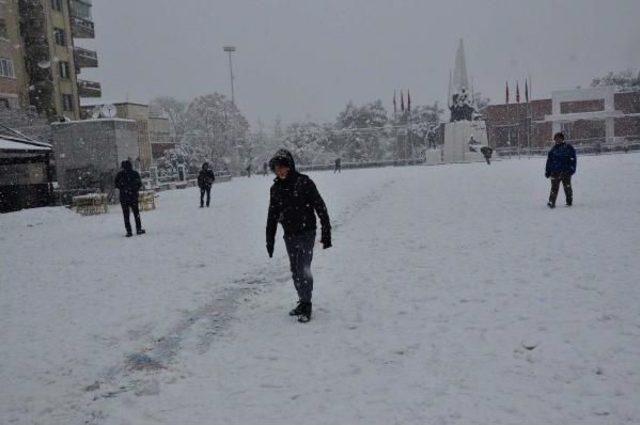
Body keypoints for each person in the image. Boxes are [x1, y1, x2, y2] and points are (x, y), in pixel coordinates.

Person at [266, 149, 332, 323]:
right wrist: (269, 240)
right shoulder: (275, 189)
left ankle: (307, 304)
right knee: (295, 270)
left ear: (290, 166)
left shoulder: (304, 182)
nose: (280, 171)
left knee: (304, 269)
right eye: (276, 168)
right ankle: (302, 301)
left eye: (283, 167)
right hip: (289, 235)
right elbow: (272, 216)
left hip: (306, 233)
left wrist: (326, 232)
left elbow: (320, 206)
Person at [545, 132, 576, 208]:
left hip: (566, 172)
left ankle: (569, 201)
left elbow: (573, 159)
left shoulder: (568, 148)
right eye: (556, 139)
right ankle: (551, 202)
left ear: (562, 139)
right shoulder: (553, 150)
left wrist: (572, 169)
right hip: (555, 172)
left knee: (567, 187)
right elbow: (549, 162)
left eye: (559, 138)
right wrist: (548, 171)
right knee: (554, 188)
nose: (557, 140)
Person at [114, 160, 145, 237]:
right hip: (133, 196)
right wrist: (134, 189)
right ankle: (138, 229)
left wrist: (123, 187)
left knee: (126, 215)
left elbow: (116, 184)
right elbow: (139, 184)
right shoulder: (135, 173)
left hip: (124, 197)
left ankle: (129, 231)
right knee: (136, 213)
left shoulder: (119, 175)